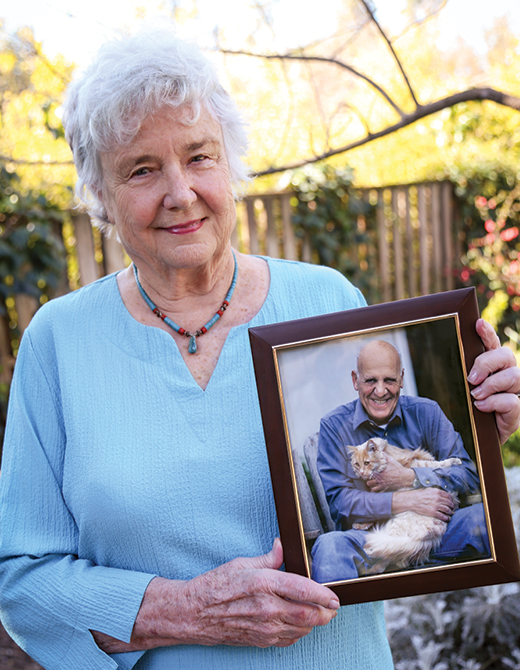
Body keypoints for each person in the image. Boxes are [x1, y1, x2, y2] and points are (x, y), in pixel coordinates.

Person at [0, 29, 518, 670]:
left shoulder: (325, 299)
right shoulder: (59, 342)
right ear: (99, 194)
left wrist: (482, 427)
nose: (180, 192)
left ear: (232, 163)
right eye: (141, 169)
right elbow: (22, 582)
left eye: (199, 157)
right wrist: (187, 608)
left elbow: (397, 516)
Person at [311, 340, 492, 582]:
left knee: (483, 519)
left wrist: (411, 477)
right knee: (329, 547)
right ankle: (341, 619)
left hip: (435, 532)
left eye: (389, 380)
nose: (380, 390)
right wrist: (408, 500)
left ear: (402, 378)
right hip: (373, 541)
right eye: (370, 381)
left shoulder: (426, 412)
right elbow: (341, 503)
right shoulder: (334, 427)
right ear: (355, 380)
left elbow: (468, 475)